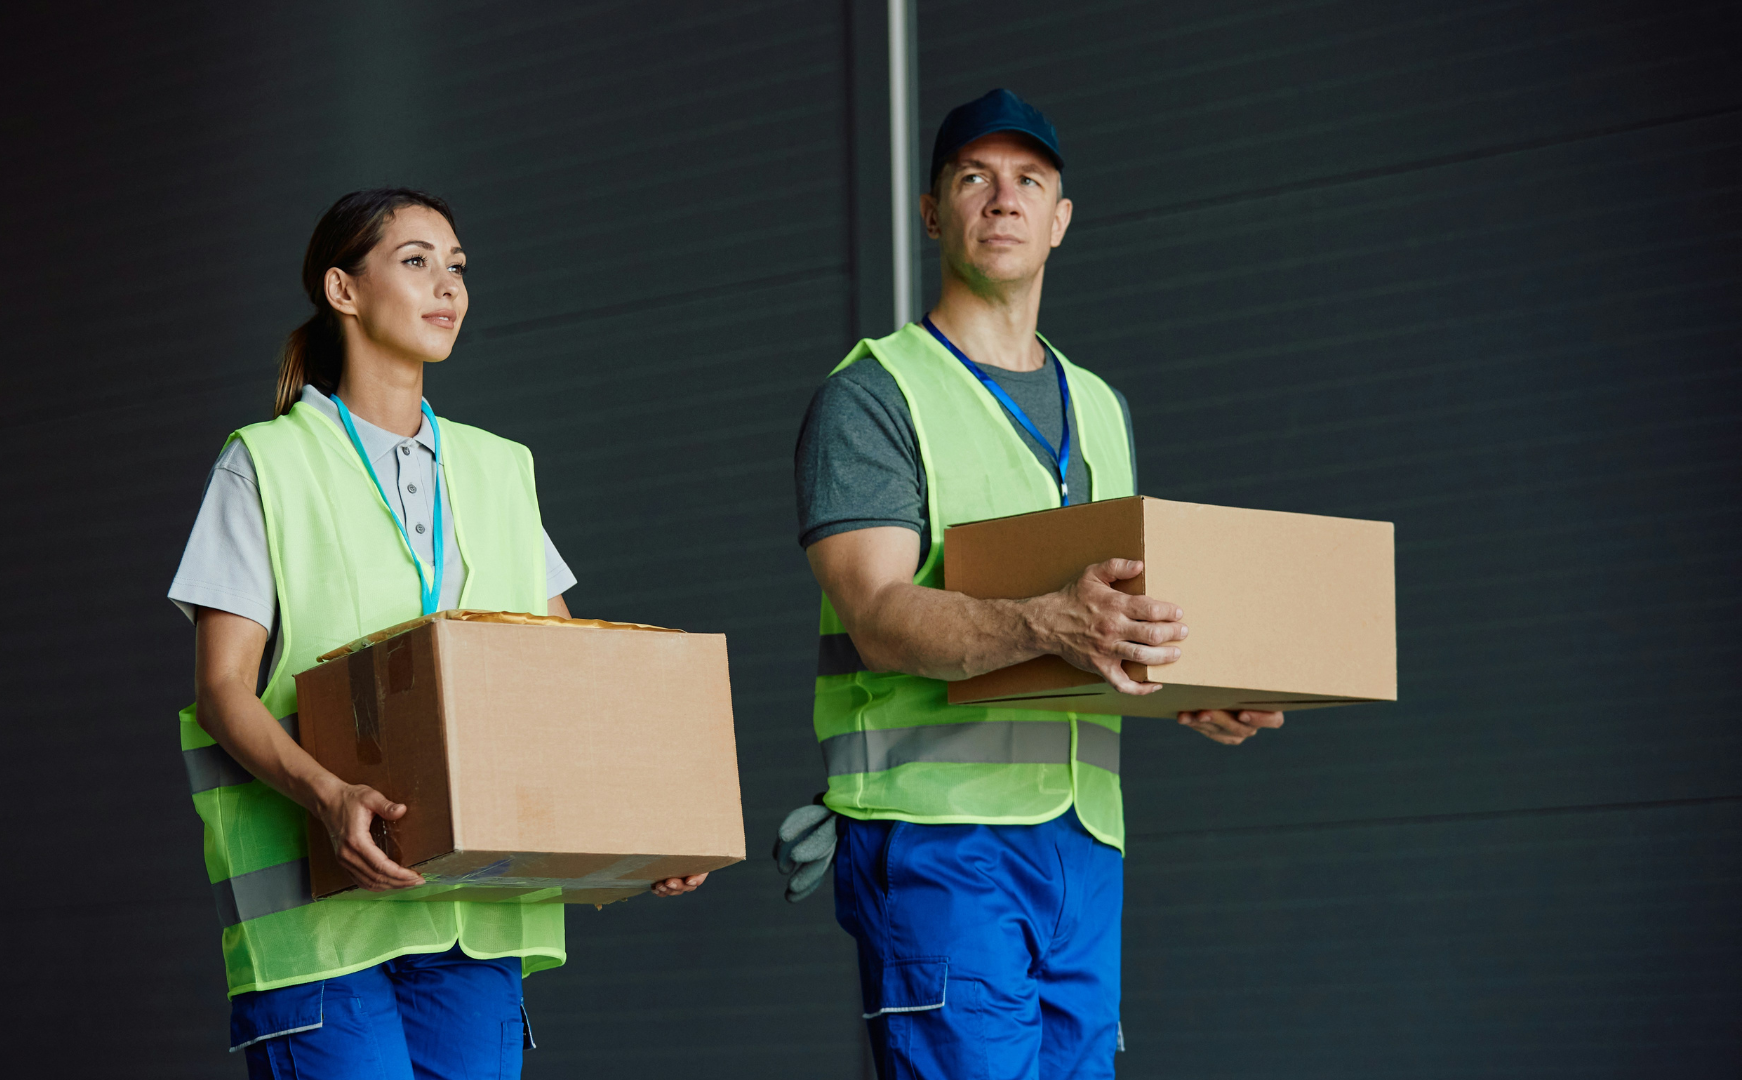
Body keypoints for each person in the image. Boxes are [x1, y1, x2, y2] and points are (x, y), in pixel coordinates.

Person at [788, 91, 1284, 1079]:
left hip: (1082, 841)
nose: (1003, 200)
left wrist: (1199, 681)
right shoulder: (876, 393)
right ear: (933, 213)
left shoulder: (1100, 407)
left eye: (1030, 182)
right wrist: (1051, 621)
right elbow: (879, 615)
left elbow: (1118, 615)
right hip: (937, 831)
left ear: (1061, 218)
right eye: (974, 177)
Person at [168, 188, 705, 1079]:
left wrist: (646, 829)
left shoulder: (499, 469)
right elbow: (222, 687)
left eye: (456, 266)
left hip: (472, 913)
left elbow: (566, 673)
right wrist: (327, 794)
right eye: (415, 262)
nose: (446, 284)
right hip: (320, 921)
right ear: (343, 290)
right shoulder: (266, 463)